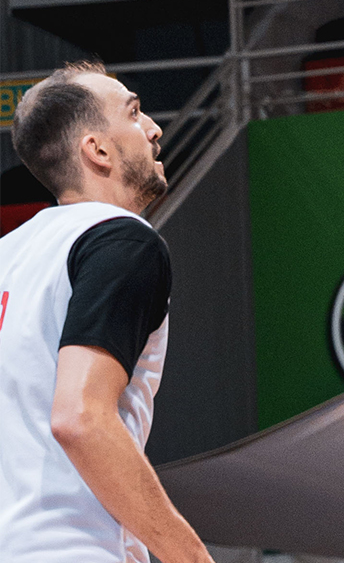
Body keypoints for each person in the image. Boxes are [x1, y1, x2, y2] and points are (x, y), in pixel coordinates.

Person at [0, 63, 216, 563]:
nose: (154, 129)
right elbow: (80, 416)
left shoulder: (8, 255)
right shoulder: (120, 237)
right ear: (97, 149)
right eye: (135, 113)